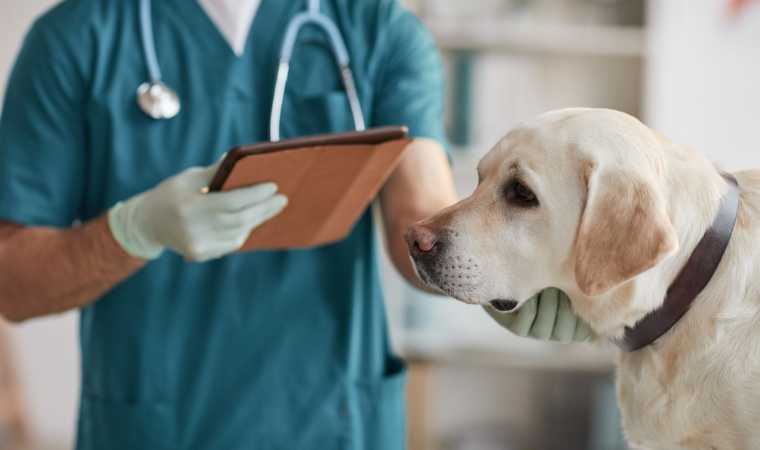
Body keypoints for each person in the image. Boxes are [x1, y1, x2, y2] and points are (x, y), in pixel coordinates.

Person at [0, 0, 458, 449]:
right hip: (158, 429)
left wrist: (496, 269)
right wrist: (133, 231)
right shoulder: (75, 39)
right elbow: (11, 283)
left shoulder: (378, 30)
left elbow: (420, 216)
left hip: (332, 423)